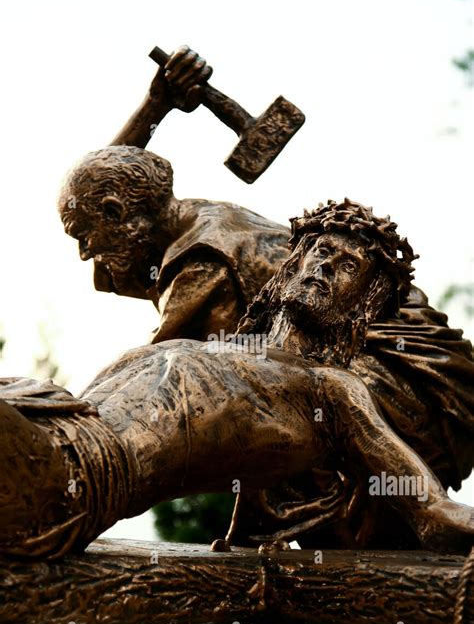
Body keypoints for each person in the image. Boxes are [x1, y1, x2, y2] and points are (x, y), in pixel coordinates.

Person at [1, 200, 473, 561]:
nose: (327, 267)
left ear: (366, 303)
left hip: (72, 481)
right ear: (292, 265)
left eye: (349, 266)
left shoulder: (333, 391)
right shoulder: (223, 346)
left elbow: (433, 514)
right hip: (51, 416)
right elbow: (253, 478)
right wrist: (239, 541)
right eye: (322, 252)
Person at [58, 47, 290, 342]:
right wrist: (156, 106)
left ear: (117, 212)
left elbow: (153, 373)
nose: (84, 254)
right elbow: (101, 185)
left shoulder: (202, 259)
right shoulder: (187, 228)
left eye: (84, 238)